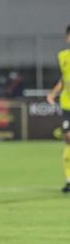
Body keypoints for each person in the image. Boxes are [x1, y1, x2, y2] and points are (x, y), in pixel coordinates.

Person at [45, 24, 70, 193]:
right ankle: (69, 180)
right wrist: (53, 93)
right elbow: (64, 78)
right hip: (68, 104)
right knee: (68, 139)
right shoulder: (63, 56)